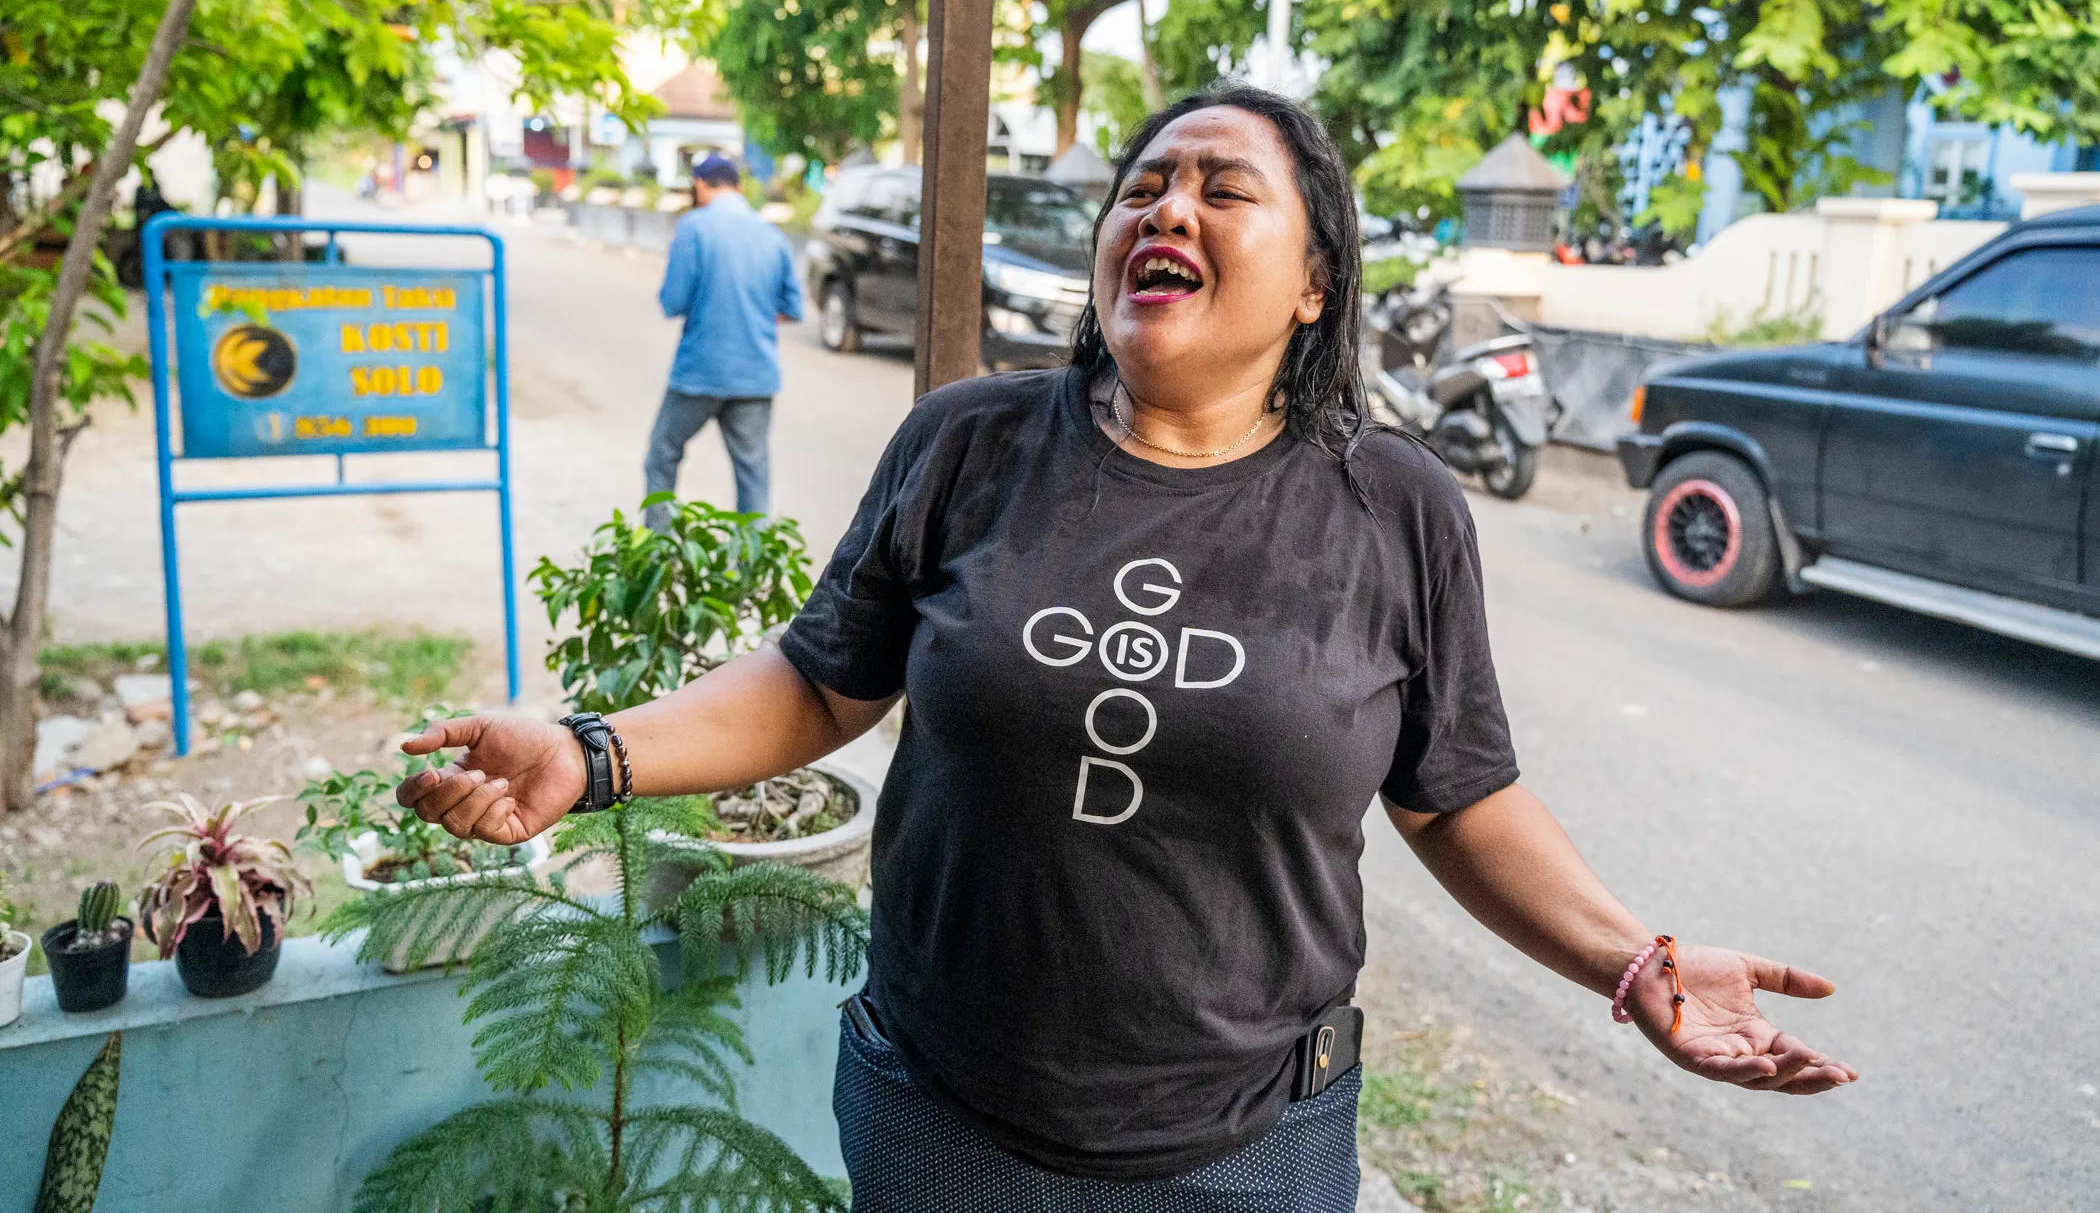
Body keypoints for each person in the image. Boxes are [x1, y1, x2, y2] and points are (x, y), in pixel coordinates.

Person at [400, 86, 1856, 1211]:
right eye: (1144, 186)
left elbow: (1457, 790)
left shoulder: (1390, 505)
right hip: (937, 1121)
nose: (1169, 207)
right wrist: (591, 756)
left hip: (1247, 1153)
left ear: (1313, 288)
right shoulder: (969, 444)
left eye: (1226, 189)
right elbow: (818, 681)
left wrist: (1633, 960)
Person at [642, 152, 803, 528]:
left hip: (700, 372)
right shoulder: (771, 235)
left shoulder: (693, 228)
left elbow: (673, 300)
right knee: (753, 474)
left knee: (662, 456)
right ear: (739, 188)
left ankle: (657, 555)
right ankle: (751, 566)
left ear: (699, 185)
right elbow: (793, 307)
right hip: (755, 376)